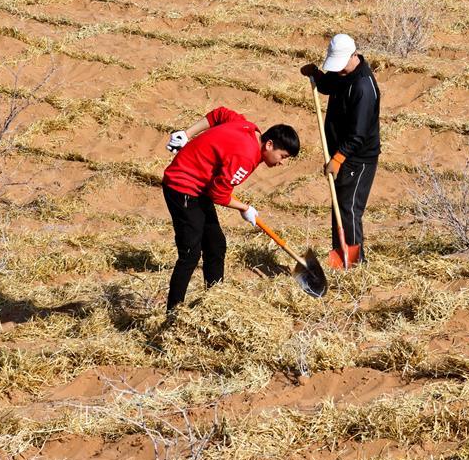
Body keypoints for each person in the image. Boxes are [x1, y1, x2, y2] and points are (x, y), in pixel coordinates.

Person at [162, 107, 299, 311]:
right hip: (182, 187)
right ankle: (173, 311)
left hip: (200, 187)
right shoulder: (246, 157)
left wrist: (187, 133)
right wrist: (245, 208)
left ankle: (215, 302)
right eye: (283, 156)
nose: (281, 163)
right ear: (269, 144)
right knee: (191, 252)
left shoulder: (248, 127)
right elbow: (219, 194)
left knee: (216, 244)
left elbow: (220, 114)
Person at [301, 33, 380, 264]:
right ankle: (340, 258)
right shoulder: (344, 74)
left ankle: (354, 264)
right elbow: (328, 85)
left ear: (354, 55)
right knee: (339, 208)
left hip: (358, 158)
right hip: (341, 154)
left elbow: (358, 135)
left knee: (348, 209)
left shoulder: (363, 87)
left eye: (341, 65)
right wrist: (316, 75)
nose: (339, 70)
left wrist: (338, 158)